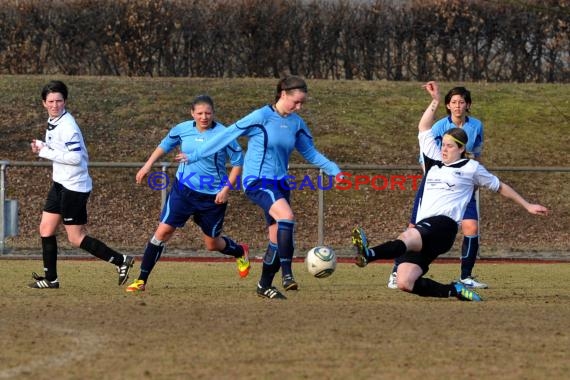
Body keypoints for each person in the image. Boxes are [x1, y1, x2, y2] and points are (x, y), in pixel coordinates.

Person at [352, 81, 548, 301]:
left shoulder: (471, 168)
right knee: (405, 282)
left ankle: (369, 254)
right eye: (442, 144)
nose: (443, 149)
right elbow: (424, 128)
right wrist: (435, 101)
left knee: (408, 235)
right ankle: (453, 290)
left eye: (449, 146)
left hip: (443, 226)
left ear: (462, 149)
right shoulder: (433, 161)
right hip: (425, 229)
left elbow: (500, 186)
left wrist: (527, 205)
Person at [178, 76, 342, 300]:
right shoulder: (261, 117)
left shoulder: (296, 123)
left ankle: (264, 285)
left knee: (277, 238)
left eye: (302, 103)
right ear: (283, 94)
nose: (299, 107)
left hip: (280, 183)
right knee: (287, 216)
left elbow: (310, 152)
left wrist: (334, 170)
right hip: (257, 181)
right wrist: (195, 155)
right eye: (296, 102)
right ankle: (287, 274)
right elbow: (227, 135)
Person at [126, 95, 249, 292]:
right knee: (163, 231)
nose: (204, 117)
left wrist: (226, 188)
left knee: (212, 244)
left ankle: (239, 251)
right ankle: (141, 279)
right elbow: (165, 145)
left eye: (208, 113)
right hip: (183, 191)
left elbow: (237, 163)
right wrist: (147, 165)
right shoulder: (182, 129)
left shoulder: (225, 133)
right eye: (199, 113)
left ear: (213, 113)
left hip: (212, 196)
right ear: (192, 113)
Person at [29, 80, 134, 289]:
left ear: (65, 101)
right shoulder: (54, 121)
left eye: (59, 101)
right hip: (60, 184)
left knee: (76, 238)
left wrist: (44, 151)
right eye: (50, 101)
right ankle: (51, 280)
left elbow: (75, 158)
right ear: (44, 103)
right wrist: (43, 146)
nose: (54, 105)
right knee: (46, 229)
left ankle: (121, 260)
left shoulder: (68, 126)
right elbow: (59, 149)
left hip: (74, 187)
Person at [387, 84, 486, 290]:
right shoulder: (440, 126)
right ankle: (396, 271)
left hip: (463, 185)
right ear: (448, 106)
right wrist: (432, 178)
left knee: (471, 227)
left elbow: (476, 153)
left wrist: (475, 177)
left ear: (468, 105)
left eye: (461, 102)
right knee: (415, 229)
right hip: (436, 186)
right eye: (453, 102)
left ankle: (466, 276)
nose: (457, 106)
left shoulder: (476, 125)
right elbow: (428, 151)